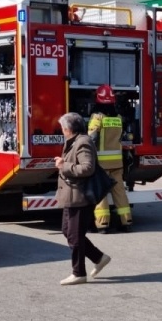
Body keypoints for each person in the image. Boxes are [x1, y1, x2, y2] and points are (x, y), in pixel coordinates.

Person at [54, 112, 111, 285]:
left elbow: (87, 168)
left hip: (80, 197)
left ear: (68, 128)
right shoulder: (74, 141)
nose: (62, 131)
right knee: (68, 231)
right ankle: (99, 258)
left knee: (75, 236)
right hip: (71, 196)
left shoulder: (83, 142)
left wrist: (65, 166)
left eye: (63, 128)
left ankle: (78, 273)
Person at [87, 84, 133, 232]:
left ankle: (103, 224)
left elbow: (92, 138)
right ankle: (126, 221)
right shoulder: (118, 118)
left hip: (101, 164)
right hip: (117, 163)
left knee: (100, 193)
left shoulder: (97, 117)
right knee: (120, 192)